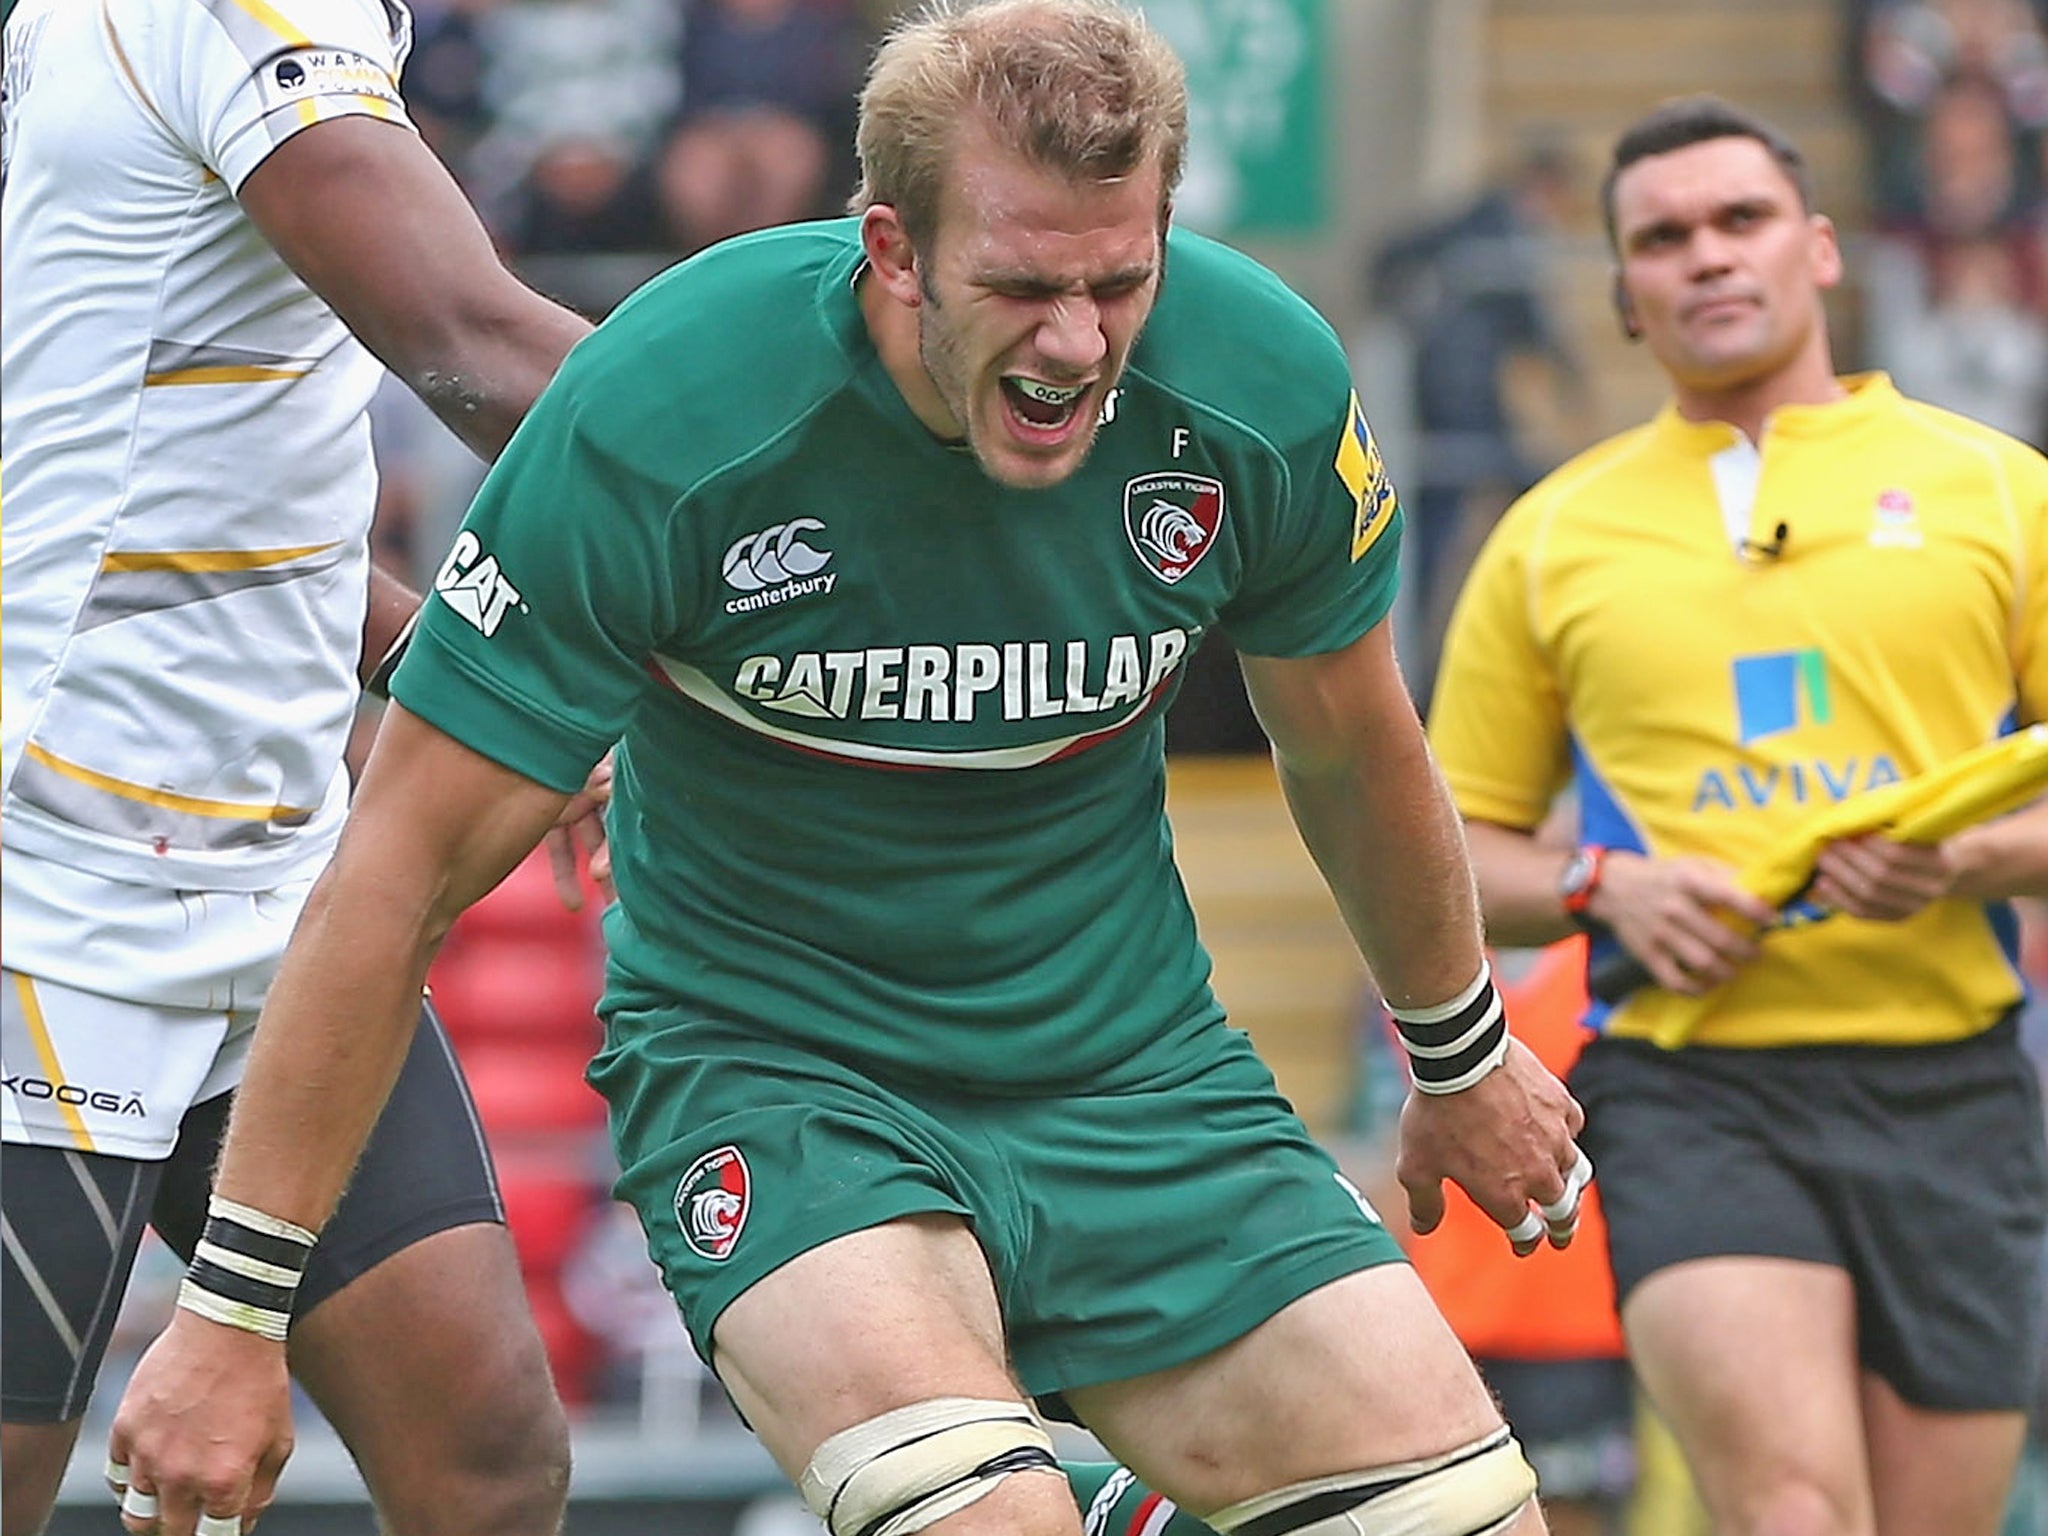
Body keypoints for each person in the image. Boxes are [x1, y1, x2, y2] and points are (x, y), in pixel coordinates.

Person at [106, 4, 1590, 1535]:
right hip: (782, 1082)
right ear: (891, 248)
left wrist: (1460, 1056)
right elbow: (398, 873)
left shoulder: (1256, 384)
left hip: (1139, 1079)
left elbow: (1350, 743)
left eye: (1119, 281)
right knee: (979, 1522)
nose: (1076, 343)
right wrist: (230, 1312)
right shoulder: (674, 403)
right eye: (1019, 285)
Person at [0, 0, 598, 1530]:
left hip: (270, 901)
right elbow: (469, 340)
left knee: (486, 1457)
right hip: (45, 900)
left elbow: (182, 458)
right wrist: (863, 516)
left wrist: (454, 664)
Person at [1428, 94, 2048, 1536]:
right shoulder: (1551, 535)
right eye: (1662, 238)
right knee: (1790, 1511)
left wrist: (1968, 860)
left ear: (1821, 249)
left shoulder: (1998, 491)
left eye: (1740, 220)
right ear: (1624, 297)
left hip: (1951, 1086)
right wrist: (1607, 887)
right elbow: (1448, 851)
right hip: (1692, 1088)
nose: (1706, 257)